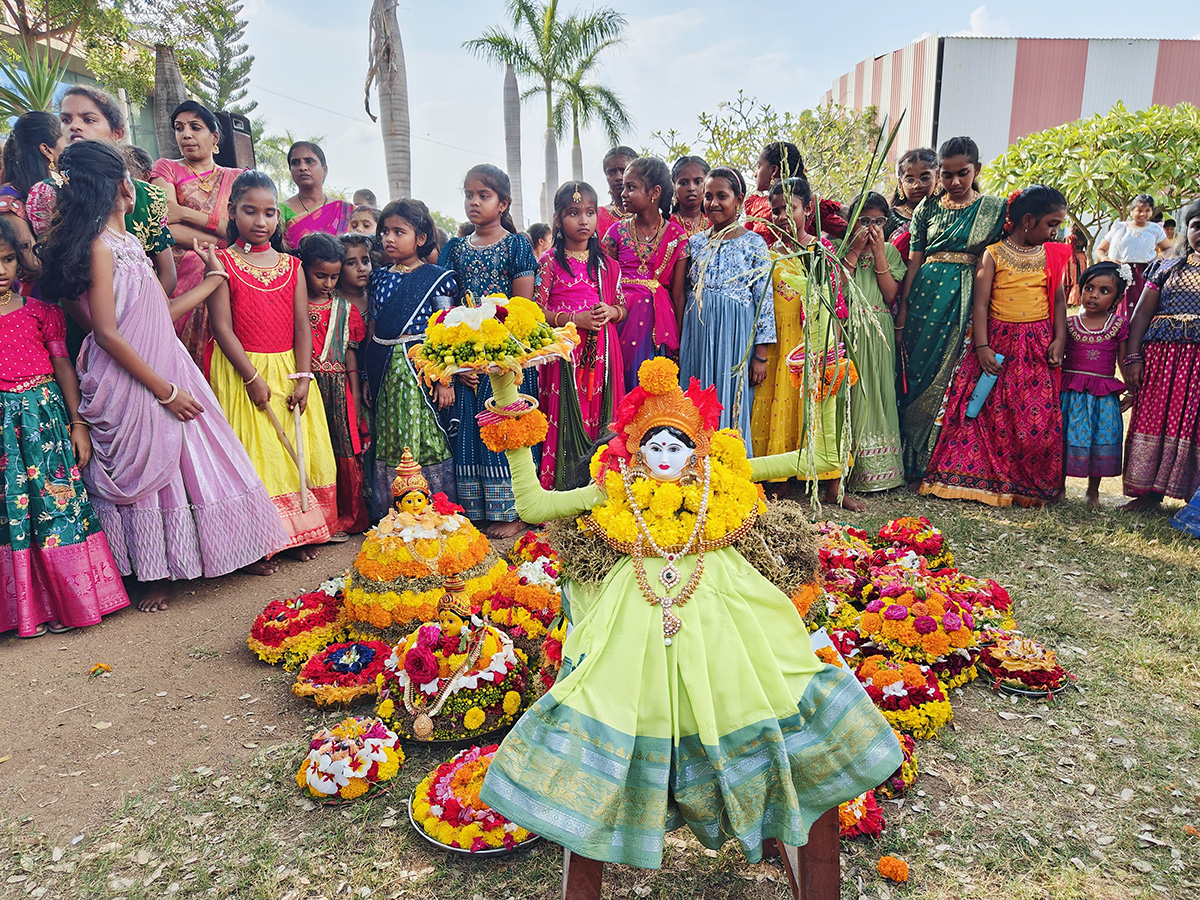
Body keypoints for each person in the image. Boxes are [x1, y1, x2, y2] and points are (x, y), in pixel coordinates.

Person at [477, 358, 902, 900]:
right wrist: (506, 395)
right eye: (651, 447)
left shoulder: (724, 479)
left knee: (765, 689)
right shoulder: (616, 488)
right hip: (630, 620)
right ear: (633, 450)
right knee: (612, 698)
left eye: (675, 447)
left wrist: (820, 390)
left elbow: (819, 458)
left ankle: (770, 799)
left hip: (731, 613)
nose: (663, 459)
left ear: (698, 449)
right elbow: (532, 504)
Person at [39, 141, 289, 610]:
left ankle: (236, 549)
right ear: (115, 189)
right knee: (155, 470)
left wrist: (213, 282)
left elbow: (158, 313)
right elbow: (109, 334)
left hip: (167, 361)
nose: (134, 188)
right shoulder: (98, 248)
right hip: (133, 377)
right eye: (127, 180)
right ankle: (157, 571)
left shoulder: (131, 243)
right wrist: (164, 390)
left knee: (206, 457)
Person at [0, 214, 129, 636]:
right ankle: (26, 610)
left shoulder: (41, 312)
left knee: (55, 507)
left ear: (18, 263)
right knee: (13, 511)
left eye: (6, 260)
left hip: (46, 423)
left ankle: (66, 604)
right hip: (3, 433)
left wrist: (77, 423)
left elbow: (63, 368)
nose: (1, 271)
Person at [207, 170, 340, 557]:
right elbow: (221, 327)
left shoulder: (292, 266)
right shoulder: (222, 262)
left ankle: (300, 531)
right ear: (233, 211)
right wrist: (250, 378)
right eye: (250, 211)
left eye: (269, 213)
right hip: (241, 371)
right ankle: (263, 541)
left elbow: (302, 326)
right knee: (257, 453)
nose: (260, 222)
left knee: (293, 451)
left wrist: (303, 377)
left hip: (289, 371)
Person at [920, 186, 1070, 508]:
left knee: (1036, 419)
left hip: (1037, 346)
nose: (1055, 231)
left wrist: (1059, 339)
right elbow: (981, 304)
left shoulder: (1052, 256)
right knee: (987, 413)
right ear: (1027, 220)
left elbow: (1058, 299)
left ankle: (1028, 484)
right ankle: (981, 479)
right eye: (1052, 224)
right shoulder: (994, 254)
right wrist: (982, 346)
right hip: (997, 344)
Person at [895, 136, 1007, 484]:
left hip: (965, 299)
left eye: (963, 173)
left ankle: (936, 460)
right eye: (947, 175)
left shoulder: (993, 208)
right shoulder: (927, 208)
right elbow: (914, 262)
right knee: (916, 377)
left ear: (977, 170)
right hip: (924, 299)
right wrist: (903, 313)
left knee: (952, 379)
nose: (955, 182)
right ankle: (908, 460)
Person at [439, 164, 538, 537]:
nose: (474, 202)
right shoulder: (454, 249)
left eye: (484, 195)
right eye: (469, 195)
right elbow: (445, 306)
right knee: (470, 430)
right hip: (465, 354)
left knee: (506, 427)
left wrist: (499, 353)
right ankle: (477, 506)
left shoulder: (516, 244)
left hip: (505, 354)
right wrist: (456, 360)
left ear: (503, 203)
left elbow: (522, 307)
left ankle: (515, 510)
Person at [750, 177, 857, 508]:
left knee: (821, 409)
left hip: (813, 342)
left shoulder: (820, 251)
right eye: (777, 210)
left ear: (808, 209)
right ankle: (780, 479)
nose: (782, 216)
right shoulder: (769, 255)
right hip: (780, 344)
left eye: (789, 209)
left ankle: (832, 485)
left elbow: (834, 305)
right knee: (780, 403)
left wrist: (833, 351)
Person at [362, 199, 457, 520]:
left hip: (421, 368)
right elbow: (372, 326)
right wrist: (366, 375)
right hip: (384, 367)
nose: (389, 238)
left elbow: (444, 332)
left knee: (424, 430)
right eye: (385, 231)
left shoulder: (438, 278)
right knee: (390, 432)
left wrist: (444, 379)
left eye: (398, 232)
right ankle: (393, 509)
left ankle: (433, 507)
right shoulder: (378, 278)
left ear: (420, 238)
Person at [534, 182, 626, 490]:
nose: (583, 220)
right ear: (559, 219)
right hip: (565, 355)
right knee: (562, 418)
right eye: (574, 213)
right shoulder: (548, 263)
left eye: (589, 212)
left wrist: (611, 313)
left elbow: (621, 306)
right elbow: (536, 312)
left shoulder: (608, 265)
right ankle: (560, 489)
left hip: (604, 354)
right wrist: (575, 319)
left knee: (601, 416)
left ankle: (599, 487)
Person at [680, 166, 772, 447]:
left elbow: (763, 300)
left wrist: (761, 354)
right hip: (698, 331)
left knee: (731, 398)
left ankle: (729, 465)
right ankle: (693, 465)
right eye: (708, 196)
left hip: (735, 334)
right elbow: (685, 290)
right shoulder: (694, 243)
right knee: (694, 398)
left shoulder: (754, 243)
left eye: (722, 196)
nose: (713, 203)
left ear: (739, 199)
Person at [1121, 198, 1200, 511]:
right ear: (1186, 230)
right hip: (1161, 363)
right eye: (1196, 226)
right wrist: (1133, 358)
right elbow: (1140, 315)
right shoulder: (1166, 266)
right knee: (1155, 420)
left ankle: (1193, 501)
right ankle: (1147, 495)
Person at [151, 100, 241, 365]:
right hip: (178, 279)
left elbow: (241, 231)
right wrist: (221, 240)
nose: (186, 134)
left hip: (226, 276)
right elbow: (164, 225)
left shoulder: (236, 178)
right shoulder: (166, 167)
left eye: (195, 127)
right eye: (179, 128)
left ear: (214, 136)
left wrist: (187, 213)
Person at [298, 233, 369, 539]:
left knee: (344, 448)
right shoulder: (295, 304)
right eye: (320, 276)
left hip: (340, 388)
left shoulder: (345, 309)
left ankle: (348, 518)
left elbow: (351, 356)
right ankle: (318, 520)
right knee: (315, 450)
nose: (327, 283)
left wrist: (354, 394)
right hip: (308, 386)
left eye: (334, 277)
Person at [601, 157, 688, 390]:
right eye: (624, 187)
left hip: (658, 321)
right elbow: (605, 284)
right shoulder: (615, 232)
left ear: (655, 192)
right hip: (621, 317)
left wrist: (678, 342)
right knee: (620, 383)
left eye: (631, 187)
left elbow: (678, 296)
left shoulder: (677, 236)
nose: (623, 193)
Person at [840, 191, 906, 493]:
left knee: (878, 393)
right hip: (849, 329)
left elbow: (891, 294)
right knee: (853, 395)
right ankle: (850, 469)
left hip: (878, 329)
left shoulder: (891, 251)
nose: (871, 228)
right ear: (851, 222)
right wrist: (853, 252)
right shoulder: (840, 249)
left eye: (878, 221)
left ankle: (882, 472)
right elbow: (838, 290)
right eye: (864, 221)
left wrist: (879, 252)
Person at [1059, 262, 1131, 506]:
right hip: (1071, 393)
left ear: (1118, 297)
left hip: (1103, 394)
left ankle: (1093, 491)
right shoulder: (1068, 324)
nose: (1093, 295)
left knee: (1100, 437)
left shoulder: (1119, 326)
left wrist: (1132, 390)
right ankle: (1058, 488)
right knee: (1066, 436)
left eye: (1104, 291)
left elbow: (1123, 361)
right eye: (1089, 288)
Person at [0, 111, 66, 291]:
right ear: (46, 150)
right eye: (65, 140)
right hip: (38, 299)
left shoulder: (56, 186)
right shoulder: (8, 201)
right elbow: (33, 264)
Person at [744, 141, 847, 242]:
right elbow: (849, 233)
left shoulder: (757, 207)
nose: (755, 174)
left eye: (758, 166)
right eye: (776, 211)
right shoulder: (814, 206)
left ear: (773, 170)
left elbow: (849, 233)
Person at [1095, 194, 1172, 317]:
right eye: (1139, 210)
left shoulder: (1155, 229)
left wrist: (1159, 260)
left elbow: (1168, 248)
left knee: (1142, 309)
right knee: (1117, 306)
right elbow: (1099, 250)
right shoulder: (1119, 227)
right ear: (1132, 210)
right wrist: (1107, 261)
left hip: (1144, 274)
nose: (1143, 214)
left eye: (1147, 211)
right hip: (1119, 273)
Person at [280, 142, 355, 247]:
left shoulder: (345, 211)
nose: (302, 167)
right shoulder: (280, 211)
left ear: (324, 170)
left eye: (309, 161)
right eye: (295, 163)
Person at [887, 147, 937, 260]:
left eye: (925, 178)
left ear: (937, 177)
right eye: (910, 180)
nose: (917, 185)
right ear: (900, 183)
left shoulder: (944, 216)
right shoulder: (889, 218)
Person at [596, 145, 637, 237]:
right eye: (611, 173)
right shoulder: (597, 217)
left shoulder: (650, 216)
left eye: (624, 171)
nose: (618, 177)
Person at [337, 232, 374, 321]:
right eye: (351, 263)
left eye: (365, 262)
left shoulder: (375, 299)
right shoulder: (328, 299)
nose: (361, 268)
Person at [670, 155, 710, 237]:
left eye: (698, 182)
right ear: (674, 187)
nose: (691, 188)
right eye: (683, 183)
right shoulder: (665, 225)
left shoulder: (716, 224)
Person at [1063, 225, 1090, 307]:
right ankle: (1077, 300)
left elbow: (1068, 249)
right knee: (1079, 278)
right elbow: (1087, 249)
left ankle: (1071, 300)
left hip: (1072, 258)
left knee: (1072, 279)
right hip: (1082, 257)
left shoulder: (1070, 238)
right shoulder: (1085, 238)